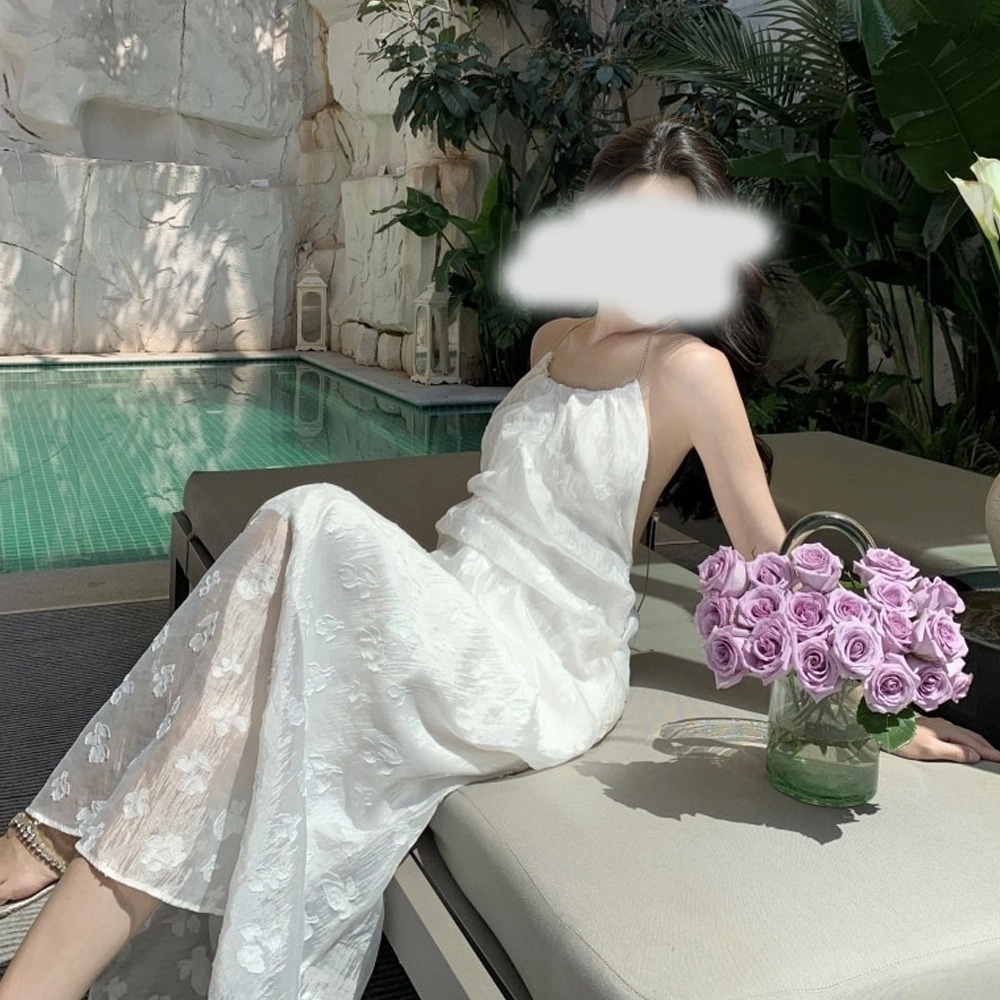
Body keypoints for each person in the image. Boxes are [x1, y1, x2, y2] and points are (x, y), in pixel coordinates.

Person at [1, 118, 997, 1000]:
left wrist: (882, 712)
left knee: (307, 516)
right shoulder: (552, 339)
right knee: (225, 718)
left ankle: (53, 834)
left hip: (537, 661)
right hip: (450, 601)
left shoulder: (689, 369)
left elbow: (773, 561)